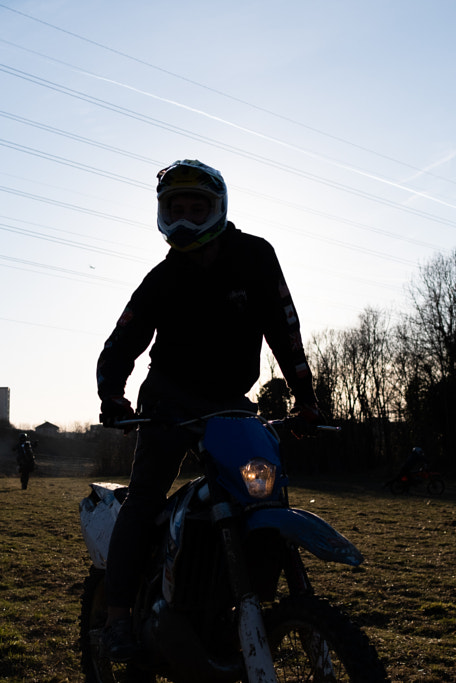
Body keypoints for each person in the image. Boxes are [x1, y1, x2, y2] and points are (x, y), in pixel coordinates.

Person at [95, 159, 322, 661]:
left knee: (258, 497)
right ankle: (115, 622)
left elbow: (286, 328)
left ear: (218, 208)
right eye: (176, 208)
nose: (186, 217)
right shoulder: (161, 279)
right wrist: (113, 398)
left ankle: (237, 601)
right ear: (161, 212)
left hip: (230, 406)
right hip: (167, 403)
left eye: (197, 206)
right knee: (145, 497)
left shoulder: (256, 256)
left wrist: (306, 401)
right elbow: (121, 343)